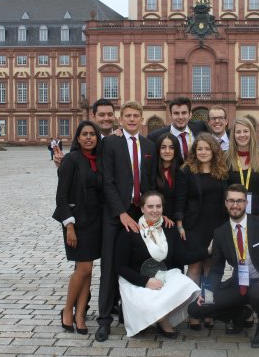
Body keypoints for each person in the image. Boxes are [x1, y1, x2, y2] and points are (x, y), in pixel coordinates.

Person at [188, 184, 259, 349]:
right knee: (195, 309)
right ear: (226, 203)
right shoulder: (220, 233)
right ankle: (239, 314)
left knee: (257, 293)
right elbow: (216, 269)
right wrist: (207, 292)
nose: (235, 205)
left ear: (246, 203)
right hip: (239, 284)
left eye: (240, 201)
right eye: (231, 201)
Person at [97, 100, 158, 342]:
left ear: (141, 119)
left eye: (136, 116)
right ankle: (104, 319)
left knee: (137, 264)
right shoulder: (111, 143)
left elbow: (150, 183)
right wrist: (120, 212)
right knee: (110, 266)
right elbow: (107, 181)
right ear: (121, 119)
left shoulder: (149, 145)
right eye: (128, 116)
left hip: (138, 215)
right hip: (115, 215)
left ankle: (131, 312)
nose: (132, 119)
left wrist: (149, 214)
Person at [114, 191, 208, 338]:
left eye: (158, 206)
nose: (155, 210)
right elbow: (120, 267)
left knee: (186, 285)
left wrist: (208, 251)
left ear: (163, 208)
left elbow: (182, 257)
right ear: (142, 208)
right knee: (148, 300)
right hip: (136, 281)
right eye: (150, 206)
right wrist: (145, 282)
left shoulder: (169, 228)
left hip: (161, 277)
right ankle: (159, 320)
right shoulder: (130, 231)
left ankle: (160, 318)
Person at [52, 120, 104, 335]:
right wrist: (69, 226)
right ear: (78, 137)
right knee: (82, 269)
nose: (89, 137)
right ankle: (67, 310)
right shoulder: (71, 160)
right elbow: (61, 197)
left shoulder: (100, 160)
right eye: (85, 134)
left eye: (93, 134)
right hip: (76, 222)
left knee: (88, 270)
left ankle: (80, 314)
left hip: (95, 221)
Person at [174, 133, 228, 329]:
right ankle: (193, 311)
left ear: (213, 151)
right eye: (200, 149)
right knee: (195, 269)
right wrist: (179, 224)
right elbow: (179, 199)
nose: (203, 152)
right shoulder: (186, 170)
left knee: (210, 270)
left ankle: (208, 308)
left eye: (207, 149)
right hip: (194, 226)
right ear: (194, 152)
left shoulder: (221, 171)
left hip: (217, 226)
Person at [53, 98, 117, 167]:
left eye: (110, 114)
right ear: (94, 117)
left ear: (114, 116)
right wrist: (62, 165)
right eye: (102, 115)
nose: (106, 118)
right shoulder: (84, 142)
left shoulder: (122, 139)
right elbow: (72, 171)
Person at [226, 117, 259, 217]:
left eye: (245, 131)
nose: (242, 135)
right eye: (238, 132)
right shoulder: (226, 158)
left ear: (251, 133)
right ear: (233, 135)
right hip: (233, 212)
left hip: (258, 213)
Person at [153, 133, 184, 222]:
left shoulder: (182, 170)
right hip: (154, 218)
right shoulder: (151, 169)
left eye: (171, 147)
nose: (167, 151)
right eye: (163, 147)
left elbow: (181, 198)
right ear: (158, 149)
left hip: (178, 220)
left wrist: (179, 222)